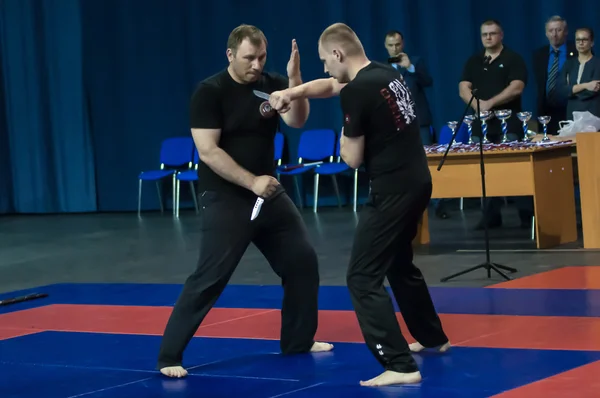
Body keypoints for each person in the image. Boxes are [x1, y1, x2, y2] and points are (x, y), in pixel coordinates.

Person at [269, 23, 450, 387]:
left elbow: (350, 159)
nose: (324, 69)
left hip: (392, 192)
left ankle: (399, 364)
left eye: (325, 60)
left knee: (362, 277)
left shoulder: (359, 93)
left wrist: (345, 126)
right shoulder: (384, 72)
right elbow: (333, 85)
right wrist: (293, 90)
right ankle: (433, 337)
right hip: (417, 182)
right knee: (399, 264)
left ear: (338, 54)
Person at [156, 24, 333, 379]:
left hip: (267, 192)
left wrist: (295, 81)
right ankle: (168, 356)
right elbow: (207, 151)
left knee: (302, 261)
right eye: (249, 58)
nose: (256, 65)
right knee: (211, 277)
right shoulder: (210, 93)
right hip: (227, 195)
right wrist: (251, 181)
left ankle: (298, 340)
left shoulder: (271, 83)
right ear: (231, 55)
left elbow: (296, 122)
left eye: (262, 57)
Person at [533, 15, 577, 136]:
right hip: (546, 111)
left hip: (570, 108)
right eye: (551, 31)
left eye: (558, 30)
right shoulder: (539, 54)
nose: (554, 34)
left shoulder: (577, 51)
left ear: (566, 31)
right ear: (546, 33)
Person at [560, 27, 600, 120]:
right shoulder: (568, 64)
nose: (581, 43)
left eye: (584, 40)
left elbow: (592, 91)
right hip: (571, 115)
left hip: (592, 116)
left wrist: (571, 90)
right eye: (578, 40)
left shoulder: (598, 64)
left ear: (592, 43)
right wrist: (586, 85)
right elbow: (561, 90)